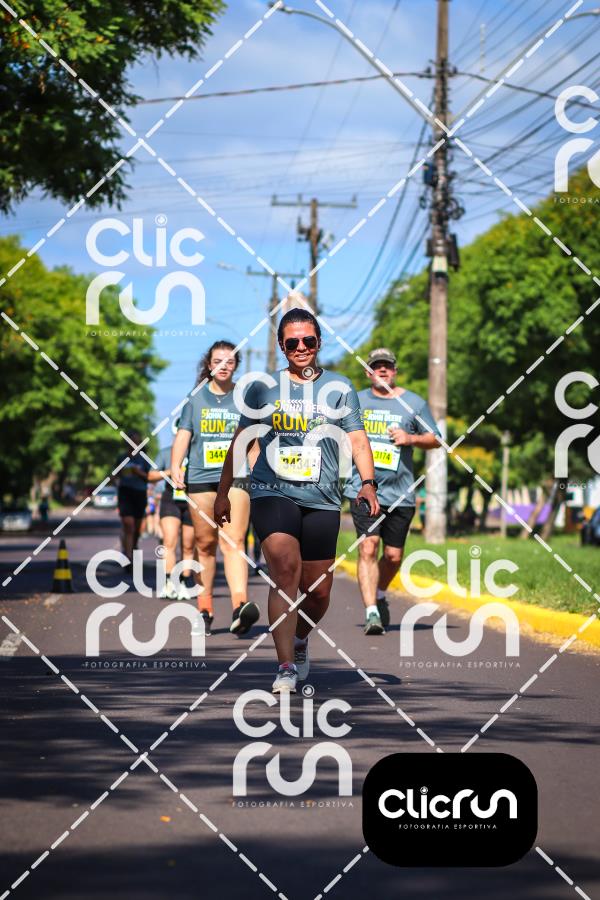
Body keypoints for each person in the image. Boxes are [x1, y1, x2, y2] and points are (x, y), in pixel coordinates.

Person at [214, 304, 379, 694]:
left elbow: (357, 439)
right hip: (272, 490)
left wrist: (368, 482)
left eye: (308, 341)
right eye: (292, 343)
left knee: (318, 591)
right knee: (285, 570)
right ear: (282, 346)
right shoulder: (263, 389)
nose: (301, 348)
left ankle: (300, 638)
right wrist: (223, 493)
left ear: (319, 342)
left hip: (322, 497)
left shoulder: (340, 387)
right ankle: (285, 665)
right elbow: (242, 440)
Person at [343, 348, 441, 635]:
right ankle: (371, 612)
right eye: (377, 366)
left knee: (394, 556)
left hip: (401, 493)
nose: (382, 370)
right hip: (363, 489)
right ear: (368, 372)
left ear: (395, 371)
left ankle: (380, 593)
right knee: (368, 547)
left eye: (387, 366)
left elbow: (436, 439)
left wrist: (410, 438)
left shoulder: (413, 402)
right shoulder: (356, 401)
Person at [171, 341, 258, 637]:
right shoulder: (195, 398)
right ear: (209, 365)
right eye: (218, 361)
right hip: (200, 479)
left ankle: (240, 607)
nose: (224, 366)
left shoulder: (244, 399)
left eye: (230, 361)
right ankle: (205, 607)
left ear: (236, 366)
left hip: (236, 478)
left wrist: (259, 470)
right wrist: (175, 466)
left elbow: (252, 440)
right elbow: (184, 435)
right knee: (205, 545)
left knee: (234, 541)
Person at [149, 419, 196, 603]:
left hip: (192, 498)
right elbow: (150, 475)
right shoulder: (165, 453)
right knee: (169, 541)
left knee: (188, 545)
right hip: (171, 499)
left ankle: (184, 582)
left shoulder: (196, 452)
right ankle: (169, 582)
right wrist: (170, 471)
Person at [113, 431, 151, 567]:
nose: (134, 444)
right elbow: (114, 475)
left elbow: (150, 477)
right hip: (125, 493)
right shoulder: (121, 458)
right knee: (128, 524)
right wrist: (117, 477)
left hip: (140, 493)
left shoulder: (144, 459)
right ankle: (128, 557)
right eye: (131, 441)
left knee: (137, 527)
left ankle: (133, 545)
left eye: (137, 441)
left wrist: (138, 472)